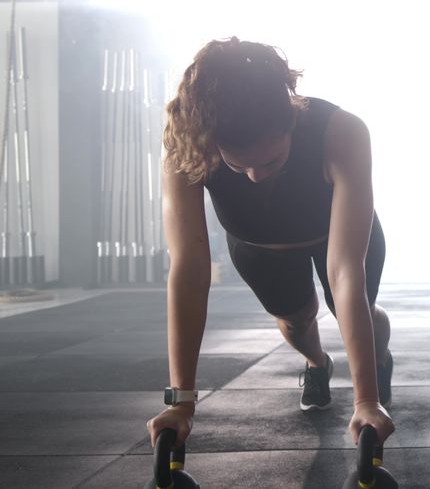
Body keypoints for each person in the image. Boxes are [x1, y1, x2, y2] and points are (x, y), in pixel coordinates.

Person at [146, 37, 394, 449]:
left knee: (358, 311)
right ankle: (317, 363)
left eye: (270, 161)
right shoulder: (186, 144)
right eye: (237, 166)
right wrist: (181, 402)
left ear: (291, 120)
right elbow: (189, 269)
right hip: (259, 247)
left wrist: (366, 399)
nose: (256, 176)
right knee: (296, 320)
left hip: (334, 233)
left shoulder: (342, 132)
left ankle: (380, 359)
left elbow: (344, 270)